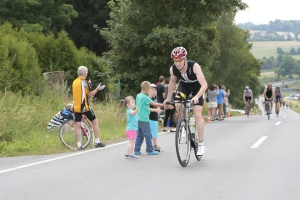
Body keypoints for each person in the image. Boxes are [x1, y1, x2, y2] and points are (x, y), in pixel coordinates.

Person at [164, 46, 208, 156]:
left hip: (197, 87)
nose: (177, 63)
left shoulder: (194, 66)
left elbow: (204, 85)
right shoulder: (173, 69)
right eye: (175, 61)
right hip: (185, 86)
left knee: (197, 114)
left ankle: (201, 144)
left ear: (185, 59)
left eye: (179, 60)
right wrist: (168, 98)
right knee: (178, 103)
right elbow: (172, 83)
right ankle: (184, 124)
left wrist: (197, 96)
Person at [134, 81, 173, 155]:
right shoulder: (146, 98)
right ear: (147, 89)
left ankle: (136, 149)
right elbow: (154, 104)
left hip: (138, 118)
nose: (150, 91)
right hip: (144, 119)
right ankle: (150, 150)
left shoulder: (138, 95)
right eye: (150, 89)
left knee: (140, 135)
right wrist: (163, 105)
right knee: (148, 135)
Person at [72, 66, 106, 150]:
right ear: (85, 73)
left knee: (77, 125)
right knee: (95, 121)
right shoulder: (84, 82)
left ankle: (79, 144)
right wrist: (98, 88)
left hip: (76, 107)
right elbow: (90, 95)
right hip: (85, 107)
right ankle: (97, 141)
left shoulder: (74, 82)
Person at [149, 84, 163, 152]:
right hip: (150, 118)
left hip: (155, 118)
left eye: (155, 90)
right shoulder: (148, 99)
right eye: (152, 90)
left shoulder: (154, 99)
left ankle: (153, 146)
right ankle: (154, 146)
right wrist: (156, 110)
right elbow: (147, 108)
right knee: (153, 133)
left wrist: (158, 109)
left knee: (154, 132)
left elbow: (155, 106)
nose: (154, 92)